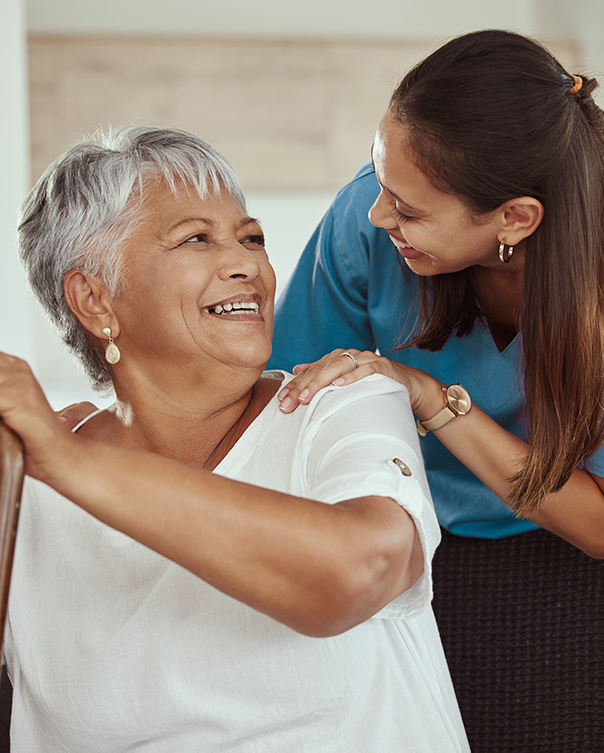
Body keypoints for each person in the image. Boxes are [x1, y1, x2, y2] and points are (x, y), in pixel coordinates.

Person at [0, 125, 470, 751]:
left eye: (252, 238)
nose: (248, 263)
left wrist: (67, 464)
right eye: (197, 238)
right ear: (95, 299)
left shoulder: (341, 400)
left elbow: (358, 572)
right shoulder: (25, 477)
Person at [267, 29, 604, 752]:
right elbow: (287, 397)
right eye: (381, 182)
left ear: (515, 218)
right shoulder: (369, 222)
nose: (376, 215)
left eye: (410, 211)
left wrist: (433, 399)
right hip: (407, 544)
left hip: (569, 562)